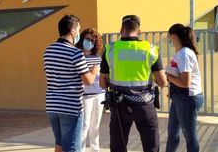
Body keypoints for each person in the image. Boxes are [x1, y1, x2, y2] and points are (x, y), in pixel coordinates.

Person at [99, 15, 167, 152]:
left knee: (118, 145)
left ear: (121, 29)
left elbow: (102, 83)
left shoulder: (110, 49)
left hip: (119, 106)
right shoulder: (151, 49)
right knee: (151, 145)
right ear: (139, 31)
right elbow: (162, 82)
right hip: (144, 105)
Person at [43, 15, 99, 152]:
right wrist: (95, 69)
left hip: (52, 105)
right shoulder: (75, 53)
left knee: (59, 145)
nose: (79, 33)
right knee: (72, 147)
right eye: (78, 30)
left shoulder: (48, 51)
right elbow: (88, 81)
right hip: (70, 106)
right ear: (73, 31)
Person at [165, 24, 203, 152]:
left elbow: (185, 82)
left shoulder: (185, 54)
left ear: (174, 36)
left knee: (189, 136)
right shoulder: (181, 53)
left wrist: (169, 77)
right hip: (180, 97)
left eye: (169, 37)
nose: (169, 40)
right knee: (172, 132)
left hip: (188, 98)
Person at [75, 28, 105, 152]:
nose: (89, 42)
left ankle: (95, 149)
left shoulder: (98, 58)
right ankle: (80, 149)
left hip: (99, 95)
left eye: (92, 40)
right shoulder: (77, 56)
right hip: (84, 96)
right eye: (87, 39)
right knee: (84, 125)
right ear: (82, 38)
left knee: (95, 126)